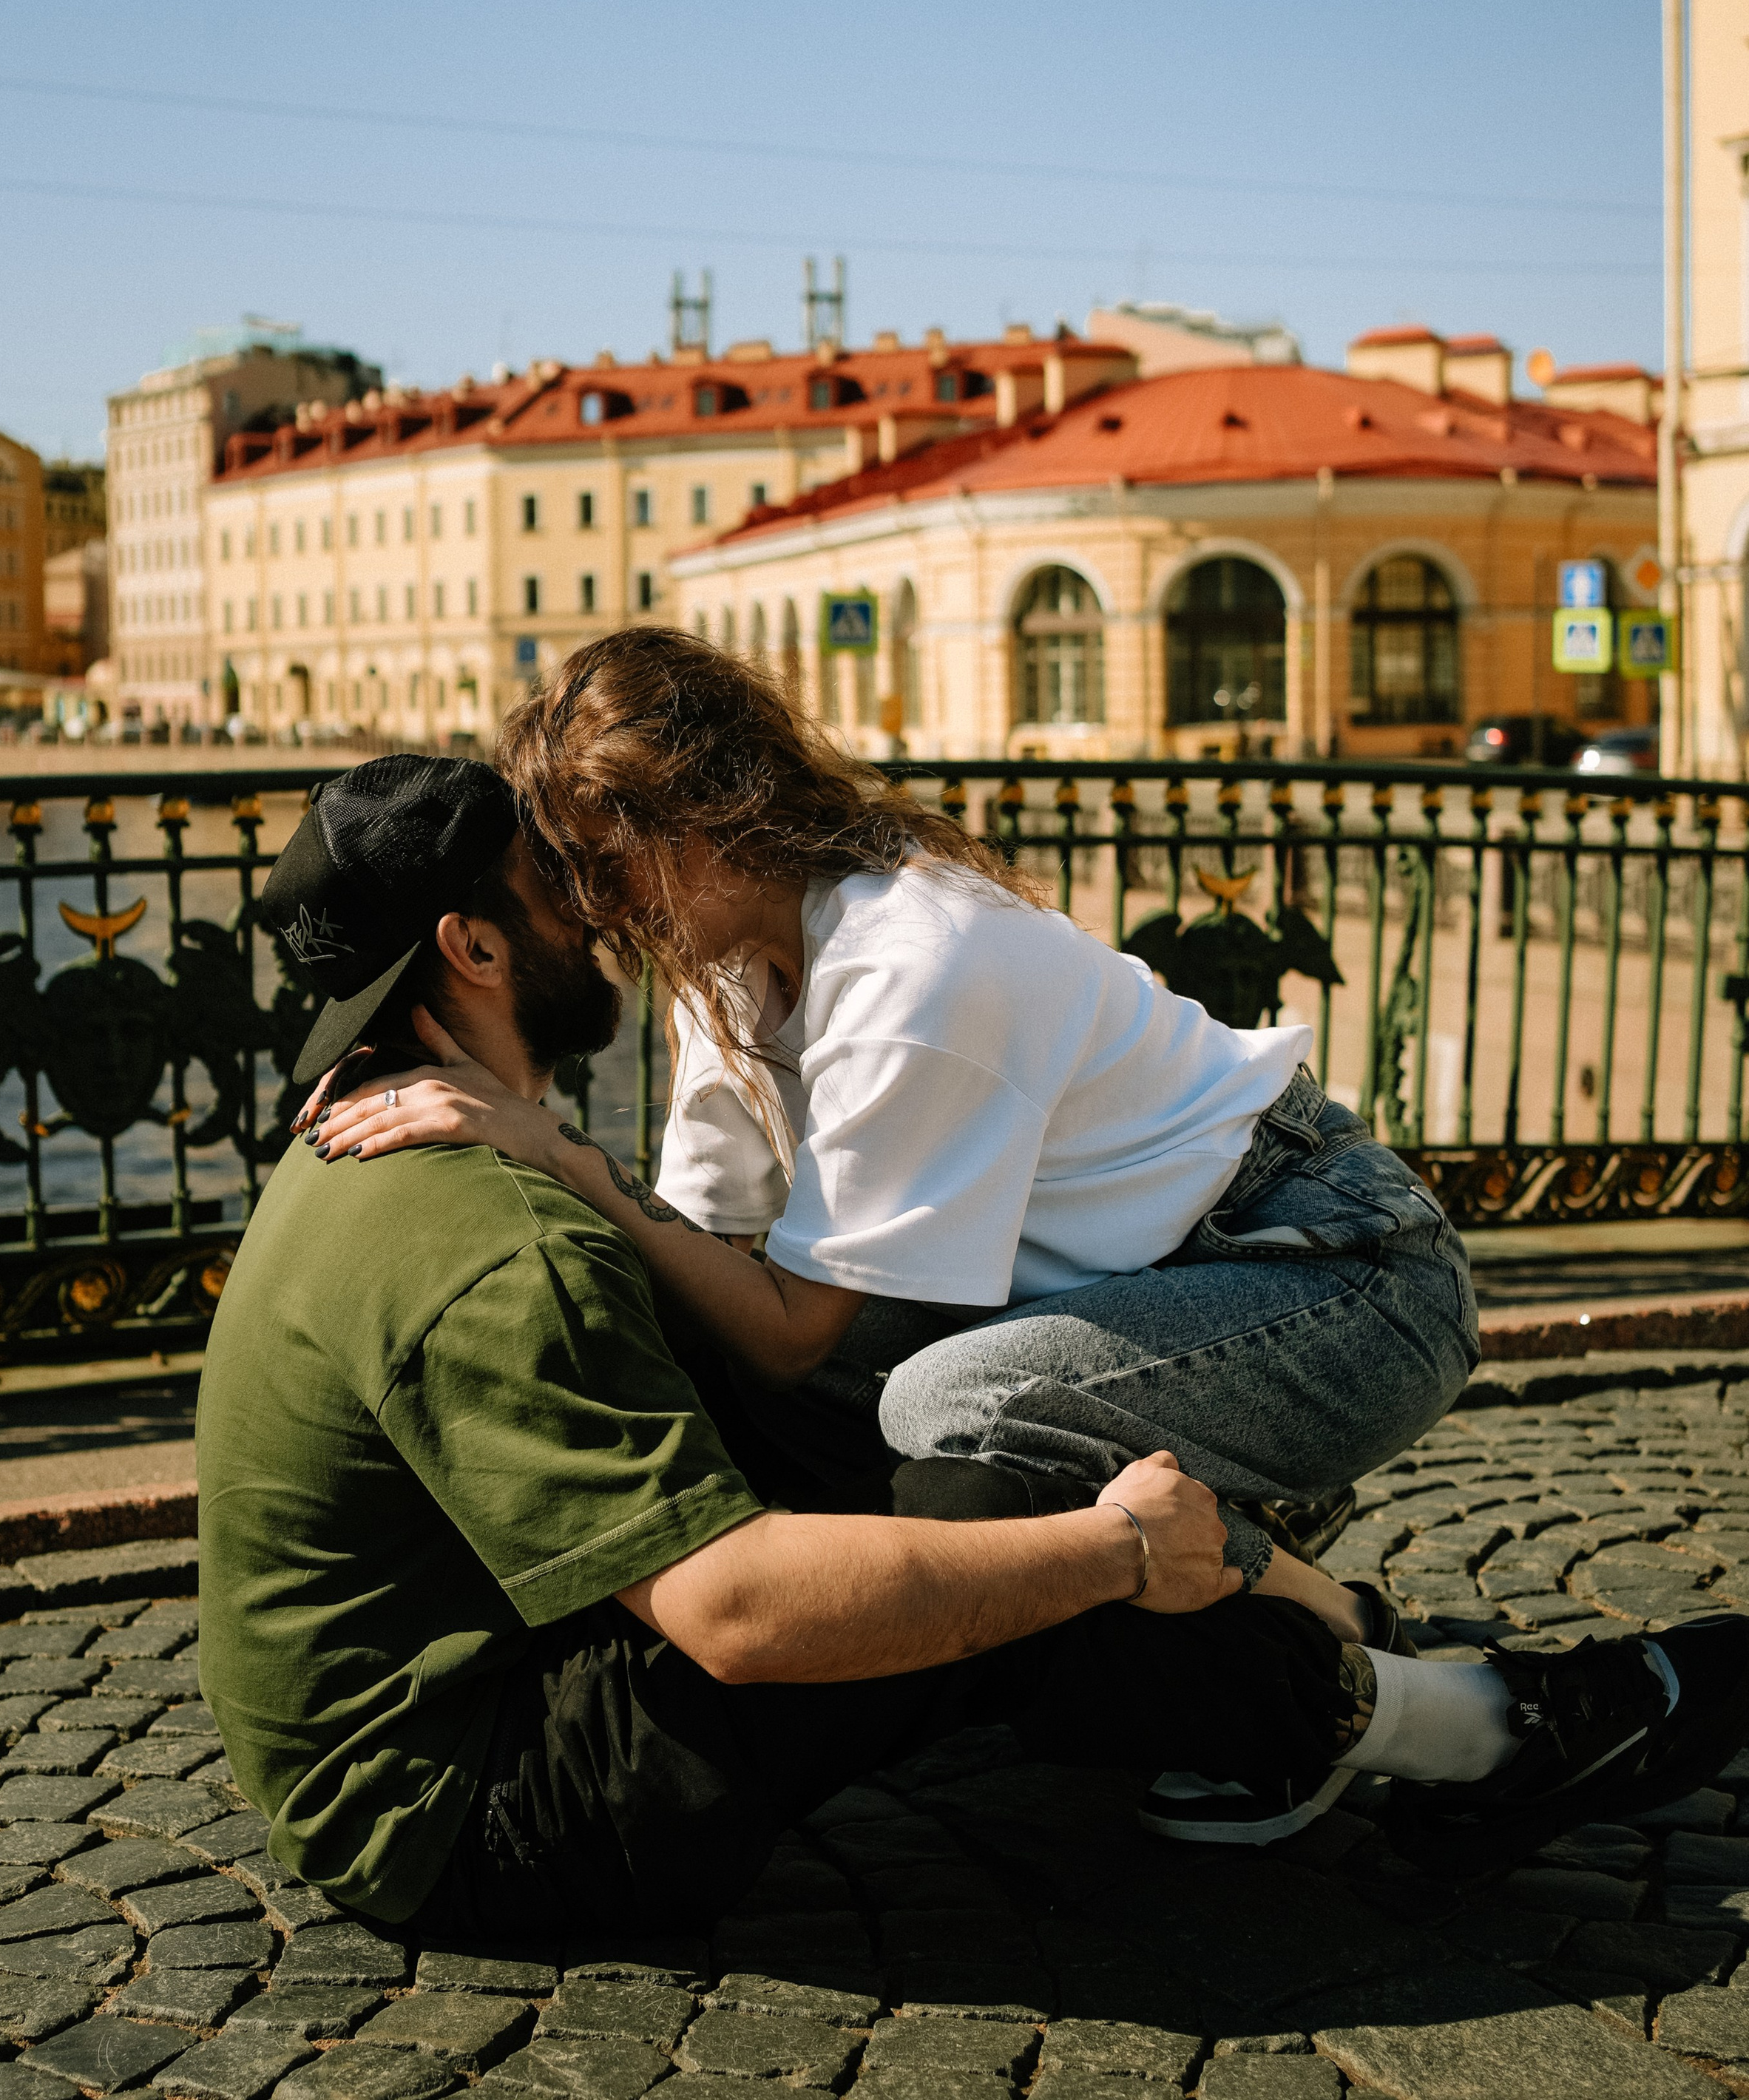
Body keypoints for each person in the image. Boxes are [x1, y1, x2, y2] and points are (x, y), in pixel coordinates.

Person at [198, 751, 1749, 1938]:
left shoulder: (403, 1155)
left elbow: (750, 1353)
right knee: (996, 1526)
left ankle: (1339, 1650)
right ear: (473, 950)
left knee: (920, 1470)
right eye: (560, 883)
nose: (603, 911)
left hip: (464, 1713)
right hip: (472, 1815)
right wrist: (1105, 1551)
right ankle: (1476, 1736)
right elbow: (736, 1616)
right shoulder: (484, 1231)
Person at [311, 630, 1474, 1729]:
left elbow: (788, 1334)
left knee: (943, 1408)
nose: (599, 912)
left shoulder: (907, 964)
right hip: (1160, 1284)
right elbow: (699, 1258)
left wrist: (559, 1153)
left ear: (716, 809)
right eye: (571, 876)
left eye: (609, 864)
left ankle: (1332, 1615)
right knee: (787, 1389)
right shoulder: (723, 972)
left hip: (1336, 1273)